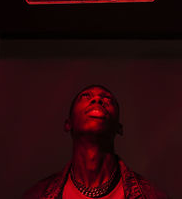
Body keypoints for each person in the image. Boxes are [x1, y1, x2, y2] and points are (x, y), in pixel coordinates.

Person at [22, 85, 169, 199]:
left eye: (107, 100)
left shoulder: (151, 195)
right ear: (68, 123)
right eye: (86, 96)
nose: (97, 100)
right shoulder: (37, 195)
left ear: (119, 128)